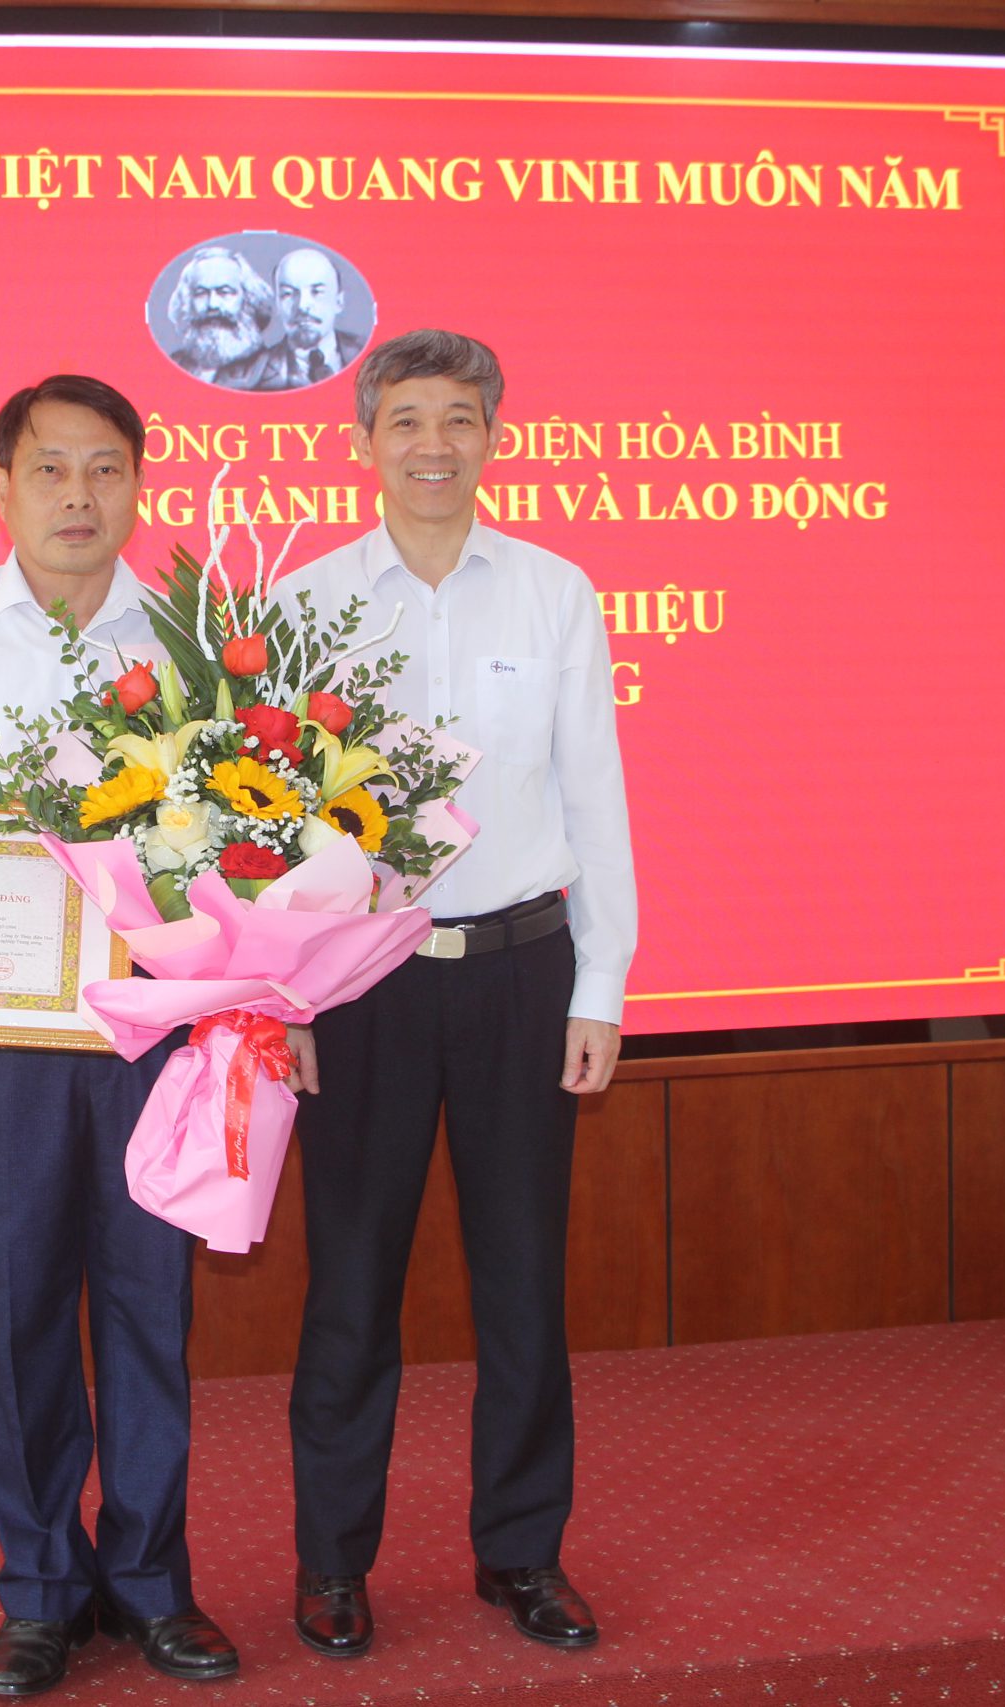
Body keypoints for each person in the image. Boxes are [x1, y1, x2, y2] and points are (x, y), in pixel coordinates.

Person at [0, 375, 241, 1698]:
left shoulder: (194, 641)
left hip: (155, 1024)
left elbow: (249, 833)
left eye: (106, 467)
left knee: (149, 1303)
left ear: (138, 483)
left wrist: (249, 997)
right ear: (2, 484)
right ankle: (40, 1591)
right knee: (19, 1308)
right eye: (52, 468)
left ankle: (152, 1579)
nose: (80, 494)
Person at [277, 330, 637, 1659]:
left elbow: (595, 792)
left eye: (461, 420)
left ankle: (523, 1552)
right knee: (350, 1287)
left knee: (524, 1285)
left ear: (493, 437)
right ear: (363, 441)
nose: (434, 444)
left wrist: (601, 982)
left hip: (519, 973)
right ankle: (332, 1563)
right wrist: (285, 998)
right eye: (408, 420)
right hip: (359, 980)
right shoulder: (305, 603)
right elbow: (270, 827)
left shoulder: (555, 592)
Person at [217, 248, 367, 391]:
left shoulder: (371, 356)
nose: (302, 306)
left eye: (317, 292)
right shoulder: (244, 377)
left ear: (339, 302)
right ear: (277, 304)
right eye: (288, 294)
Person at [162, 246, 273, 383]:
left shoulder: (270, 369)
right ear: (188, 302)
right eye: (201, 293)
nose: (212, 304)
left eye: (224, 292)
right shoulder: (173, 364)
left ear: (248, 300)